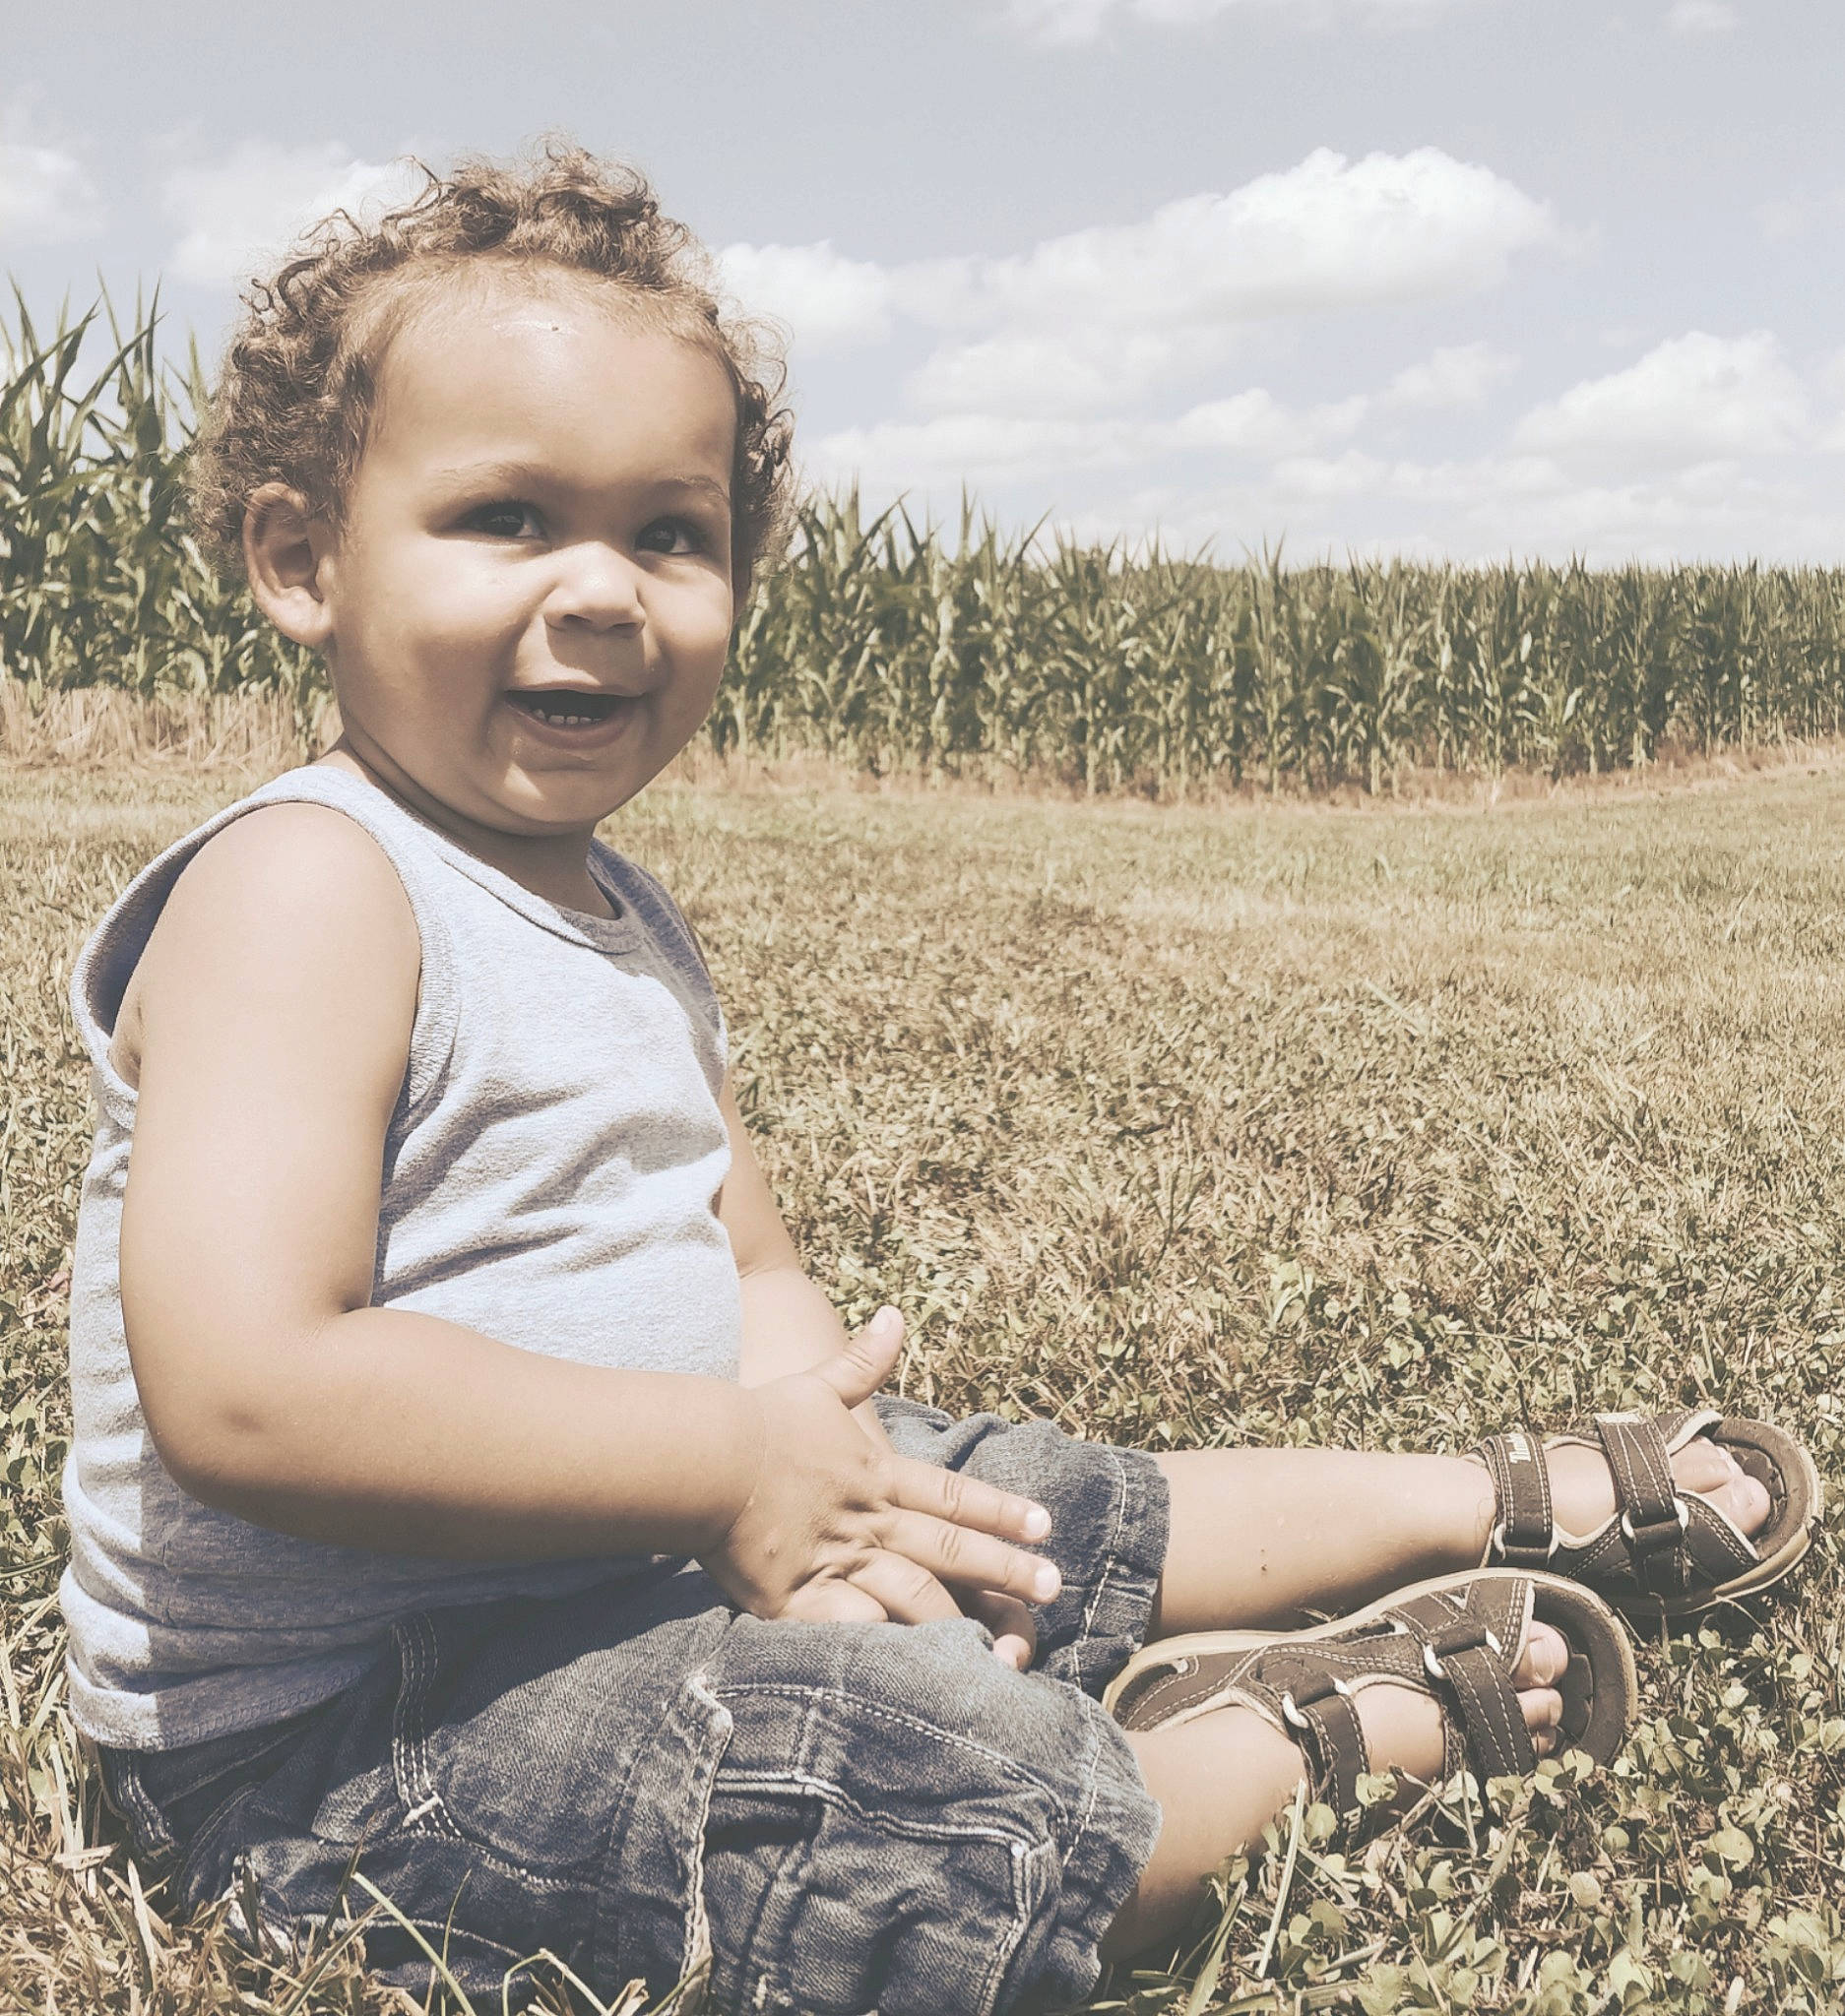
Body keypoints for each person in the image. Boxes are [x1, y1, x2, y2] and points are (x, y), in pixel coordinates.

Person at [63, 146, 1819, 2016]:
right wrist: (732, 1469)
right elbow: (247, 1387)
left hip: (632, 1557)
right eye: (505, 517)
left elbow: (742, 1270)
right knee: (883, 1783)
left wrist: (810, 1453)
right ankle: (1286, 1734)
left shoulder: (615, 912)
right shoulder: (302, 886)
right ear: (297, 561)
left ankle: (1470, 1499)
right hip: (345, 1749)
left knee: (1013, 1499)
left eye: (669, 533)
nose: (602, 593)